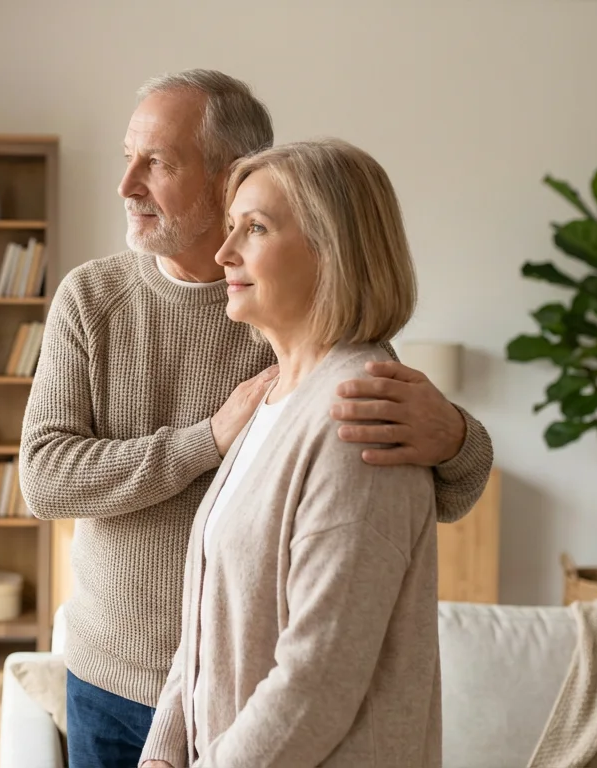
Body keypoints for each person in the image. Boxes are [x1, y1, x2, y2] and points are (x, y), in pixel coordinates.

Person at [18, 69, 492, 768]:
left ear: (225, 177)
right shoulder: (94, 298)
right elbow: (44, 482)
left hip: (246, 693)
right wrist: (203, 442)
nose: (127, 185)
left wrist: (454, 436)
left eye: (158, 162)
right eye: (128, 157)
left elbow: (421, 491)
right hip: (112, 674)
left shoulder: (305, 331)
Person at [139, 138, 443, 768]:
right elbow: (204, 624)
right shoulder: (271, 399)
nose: (224, 253)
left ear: (332, 251)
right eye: (230, 228)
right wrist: (163, 754)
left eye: (255, 229)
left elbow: (317, 685)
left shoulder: (358, 416)